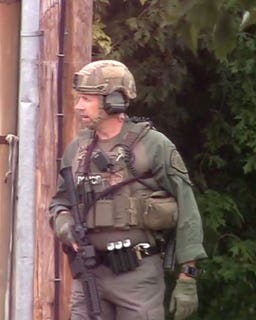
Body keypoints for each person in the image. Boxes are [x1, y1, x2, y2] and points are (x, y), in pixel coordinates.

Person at [49, 60, 207, 320]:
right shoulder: (77, 150)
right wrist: (66, 228)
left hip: (137, 276)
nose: (79, 106)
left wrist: (187, 276)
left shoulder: (153, 145)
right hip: (89, 274)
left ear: (113, 101)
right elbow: (59, 203)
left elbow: (187, 208)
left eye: (87, 99)